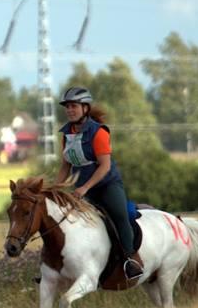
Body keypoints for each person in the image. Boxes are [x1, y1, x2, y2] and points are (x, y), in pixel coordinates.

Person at [54, 86, 144, 280]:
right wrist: (54, 190)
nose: (69, 110)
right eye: (67, 107)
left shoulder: (99, 132)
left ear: (85, 108)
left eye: (73, 106)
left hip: (106, 186)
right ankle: (62, 265)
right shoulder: (67, 134)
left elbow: (104, 166)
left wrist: (85, 187)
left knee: (119, 215)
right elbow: (65, 166)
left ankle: (131, 259)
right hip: (82, 190)